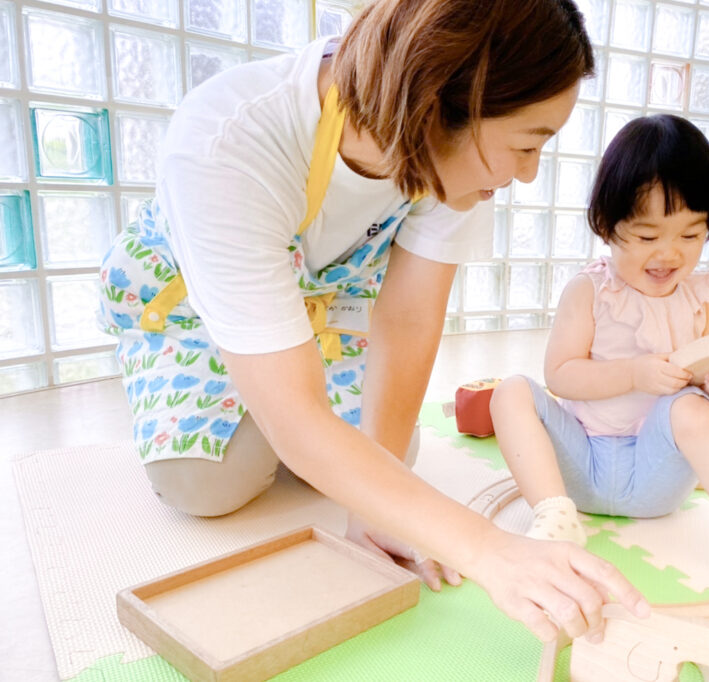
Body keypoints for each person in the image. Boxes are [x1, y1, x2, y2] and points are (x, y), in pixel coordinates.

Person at [97, 0, 649, 644]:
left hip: (321, 311)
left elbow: (408, 321)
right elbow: (302, 421)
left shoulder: (452, 164)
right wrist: (492, 551)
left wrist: (370, 504)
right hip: (192, 311)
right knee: (208, 481)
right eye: (527, 145)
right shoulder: (230, 138)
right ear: (444, 98)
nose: (527, 175)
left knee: (388, 461)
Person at [489, 114, 709, 580]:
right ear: (606, 226)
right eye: (648, 236)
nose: (669, 253)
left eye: (691, 235)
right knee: (511, 389)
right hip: (578, 467)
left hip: (655, 477)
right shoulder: (590, 292)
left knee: (693, 409)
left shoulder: (702, 300)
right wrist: (634, 374)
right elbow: (560, 375)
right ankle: (553, 516)